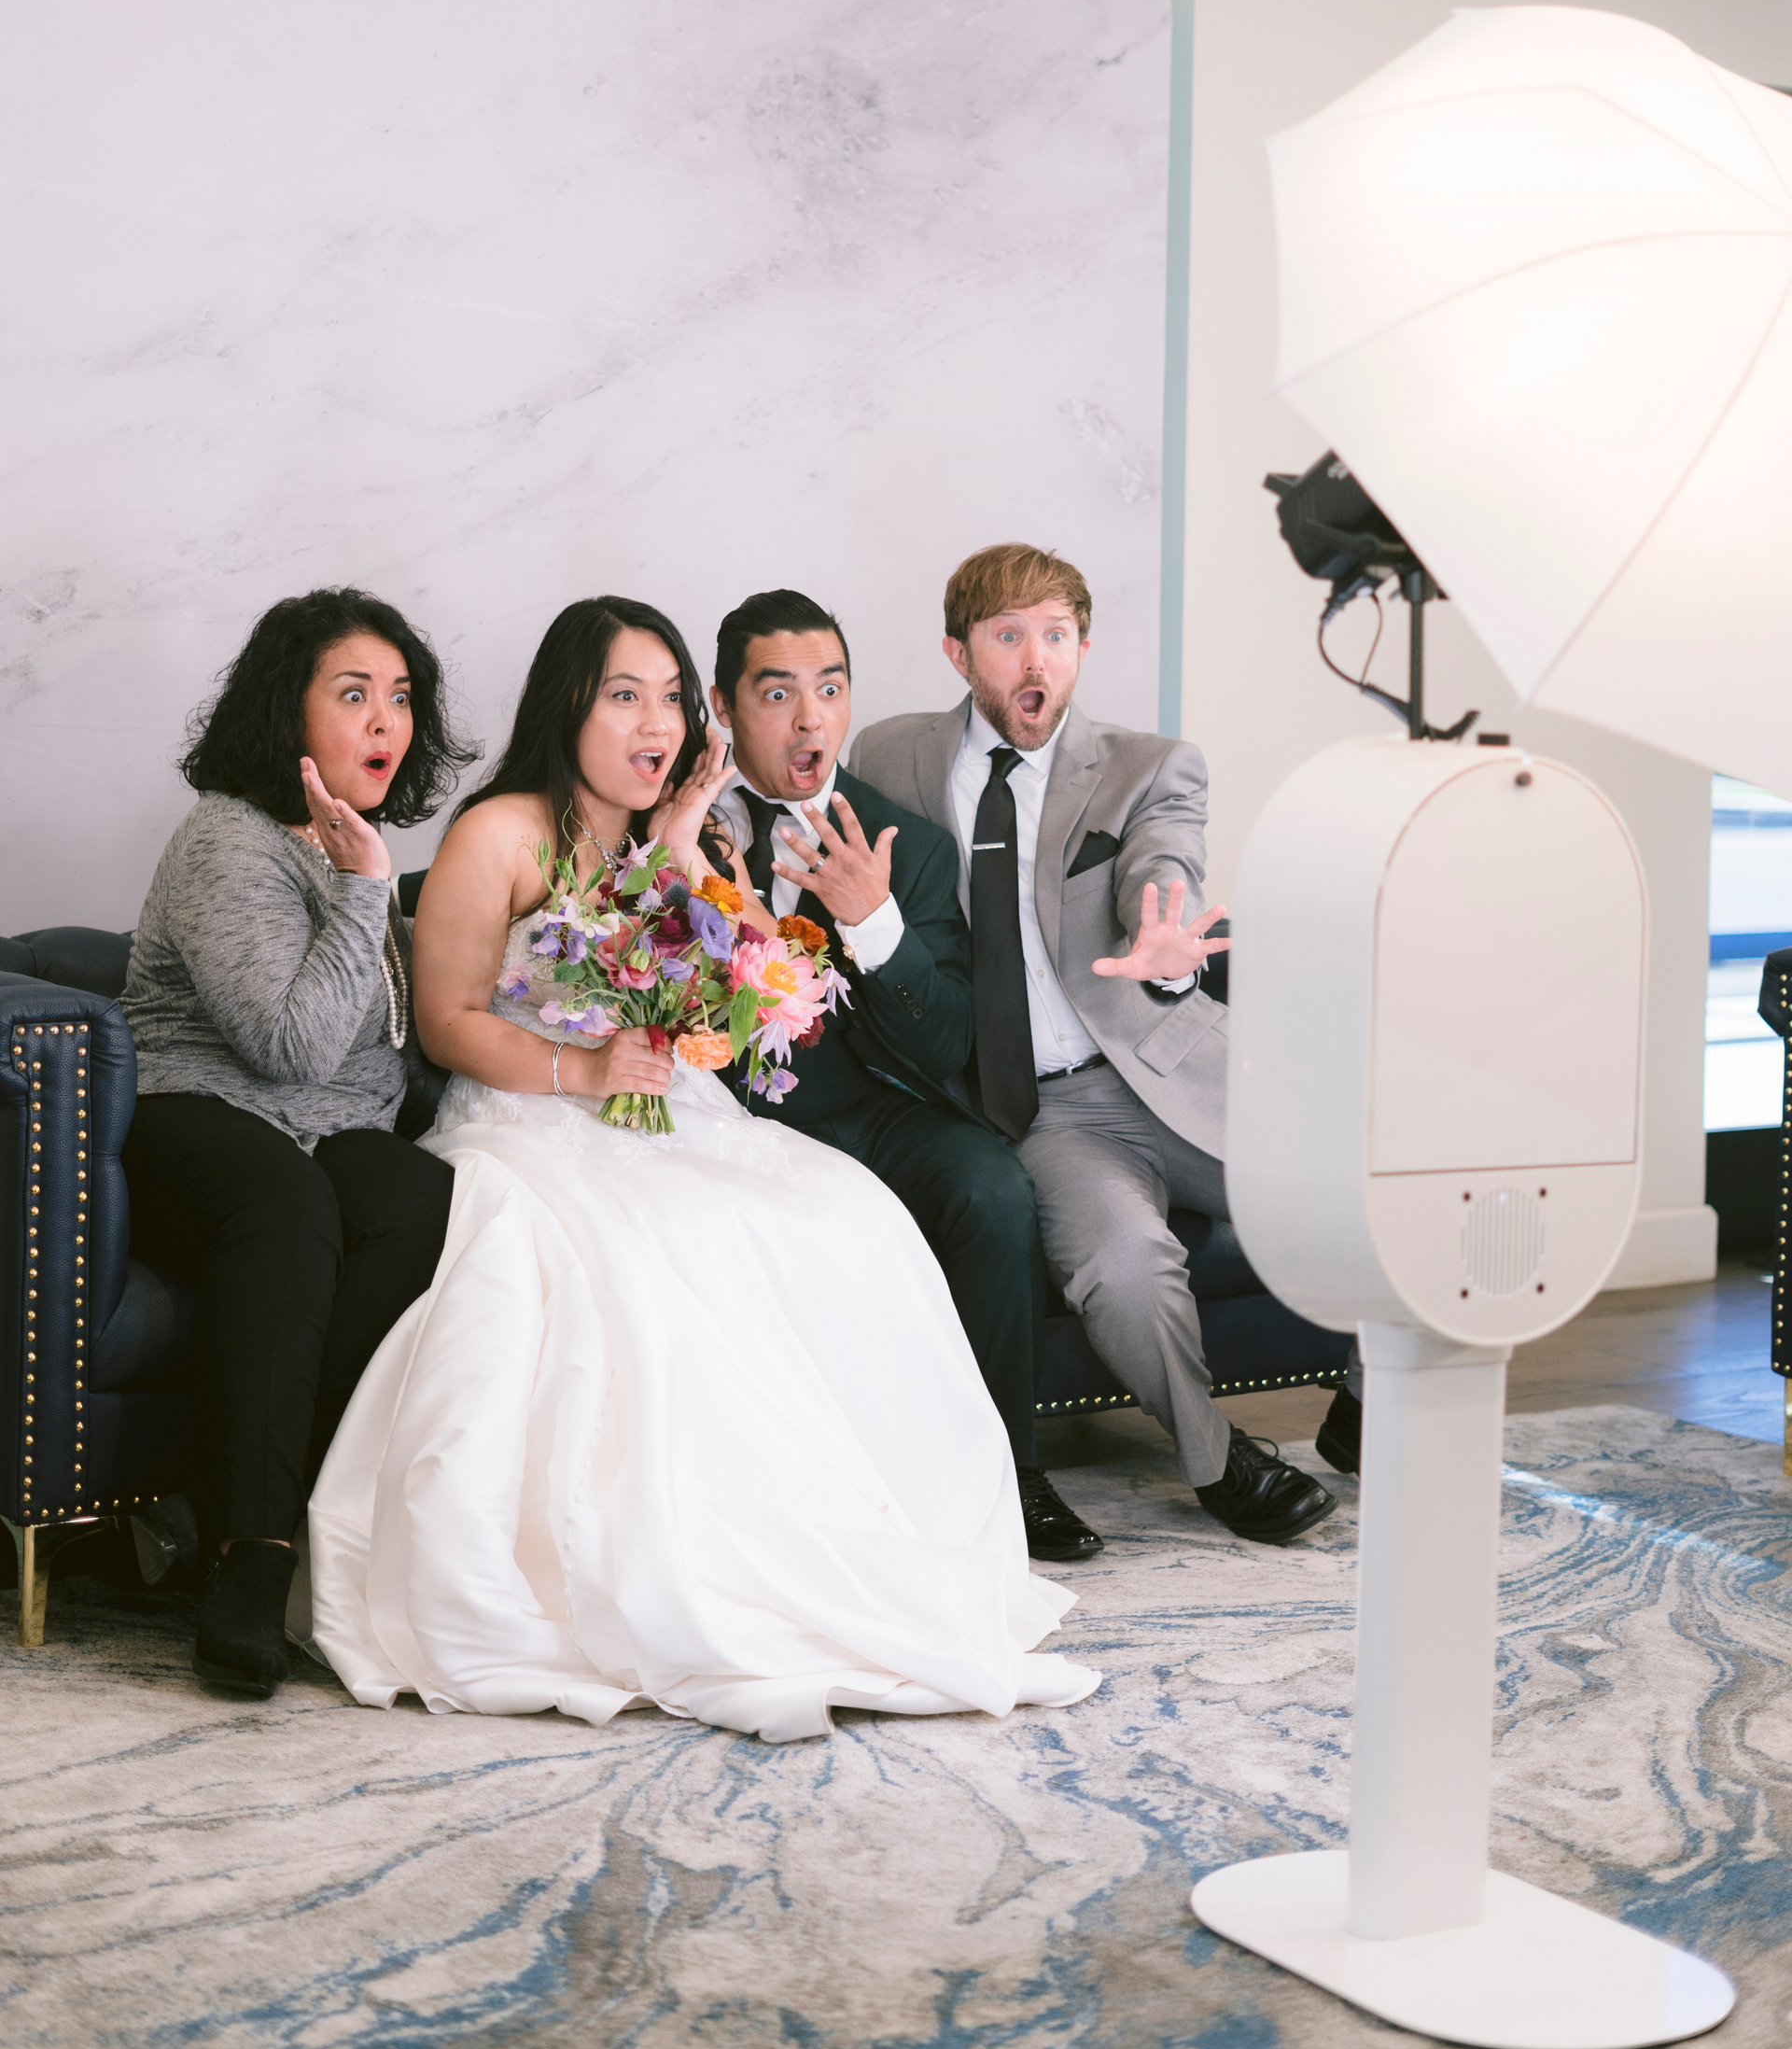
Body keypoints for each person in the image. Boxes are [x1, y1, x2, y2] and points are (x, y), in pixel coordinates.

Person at [304, 596, 1099, 1741]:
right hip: (532, 1115)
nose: (656, 724)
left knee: (845, 1216)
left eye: (671, 699)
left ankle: (876, 1534)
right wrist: (581, 1072)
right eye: (625, 697)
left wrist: (682, 852)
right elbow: (446, 1021)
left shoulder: (678, 833)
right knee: (667, 1250)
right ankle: (697, 1559)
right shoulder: (500, 833)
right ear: (569, 706)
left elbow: (746, 991)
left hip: (670, 1111)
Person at [852, 541, 1351, 1547]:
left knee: (1361, 1192)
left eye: (1057, 635)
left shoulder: (1148, 765)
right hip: (1046, 1111)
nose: (1036, 659)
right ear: (958, 653)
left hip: (1175, 1060)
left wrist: (1163, 941)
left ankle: (1373, 1399)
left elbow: (1163, 862)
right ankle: (1218, 1462)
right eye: (1008, 636)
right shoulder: (889, 758)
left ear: (1082, 648)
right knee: (1126, 1268)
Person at [121, 587, 474, 1695]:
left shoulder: (351, 846)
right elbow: (290, 1044)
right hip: (195, 1114)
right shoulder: (228, 841)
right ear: (289, 712)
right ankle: (251, 1559)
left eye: (400, 698)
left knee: (423, 1201)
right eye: (354, 694)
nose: (385, 722)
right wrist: (370, 893)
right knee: (285, 1206)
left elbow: (394, 1049)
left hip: (329, 1133)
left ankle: (234, 1503)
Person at [705, 588, 1100, 1565]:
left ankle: (1012, 1471)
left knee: (990, 1189)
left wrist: (874, 922)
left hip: (871, 1111)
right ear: (722, 707)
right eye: (778, 694)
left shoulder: (906, 844)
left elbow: (951, 1041)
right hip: (721, 1117)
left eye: (831, 690)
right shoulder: (676, 830)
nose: (811, 721)